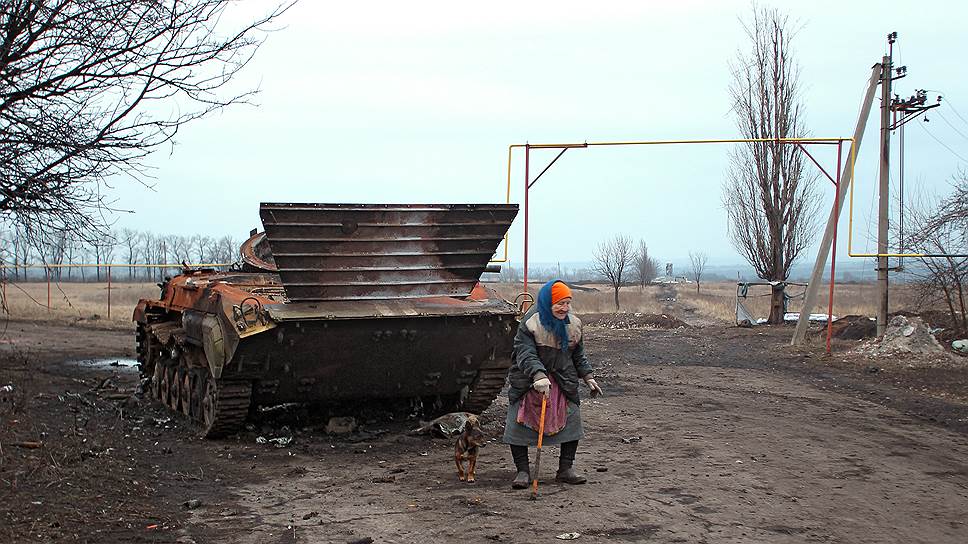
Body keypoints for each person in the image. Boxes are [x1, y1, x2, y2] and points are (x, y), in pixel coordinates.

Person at [503, 279, 603, 489]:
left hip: (562, 382)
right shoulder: (531, 322)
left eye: (568, 303)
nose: (564, 308)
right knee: (518, 426)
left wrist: (589, 377)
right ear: (548, 302)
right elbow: (525, 353)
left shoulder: (573, 324)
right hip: (530, 382)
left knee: (573, 422)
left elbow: (578, 354)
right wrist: (538, 375)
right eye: (560, 303)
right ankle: (523, 471)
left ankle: (565, 469)